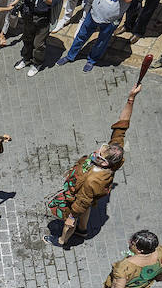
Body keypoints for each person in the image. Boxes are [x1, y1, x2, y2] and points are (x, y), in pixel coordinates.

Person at [46, 83, 141, 247]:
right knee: (87, 206)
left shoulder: (93, 181)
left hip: (78, 197)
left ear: (105, 162)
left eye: (99, 154)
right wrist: (131, 99)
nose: (97, 151)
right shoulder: (115, 151)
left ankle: (62, 240)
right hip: (87, 196)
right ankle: (83, 230)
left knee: (72, 220)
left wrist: (72, 217)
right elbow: (123, 124)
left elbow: (82, 202)